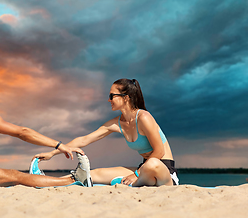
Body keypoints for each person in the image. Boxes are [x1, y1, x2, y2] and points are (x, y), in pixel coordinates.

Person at [32, 78, 179, 187]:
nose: (108, 100)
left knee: (152, 163)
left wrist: (136, 174)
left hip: (163, 171)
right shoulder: (117, 123)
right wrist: (53, 152)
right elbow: (84, 140)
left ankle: (133, 182)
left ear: (126, 98)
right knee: (94, 174)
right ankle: (47, 182)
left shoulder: (144, 117)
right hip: (144, 169)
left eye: (111, 96)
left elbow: (159, 152)